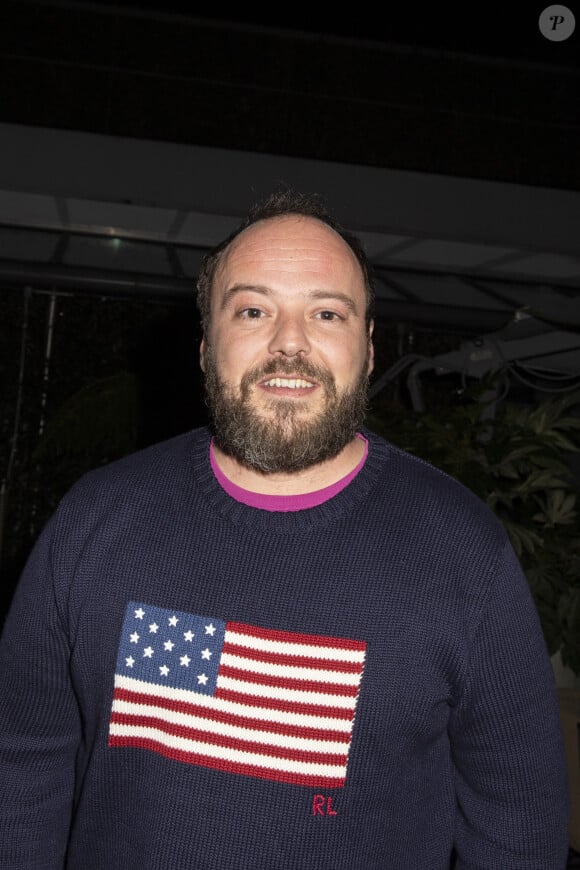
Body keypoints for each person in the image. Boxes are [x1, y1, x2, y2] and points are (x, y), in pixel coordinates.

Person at [0, 188, 571, 869]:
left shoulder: (463, 550)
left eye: (326, 312)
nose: (289, 343)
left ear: (365, 344)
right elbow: (22, 764)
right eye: (253, 309)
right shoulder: (97, 518)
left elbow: (519, 822)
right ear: (207, 344)